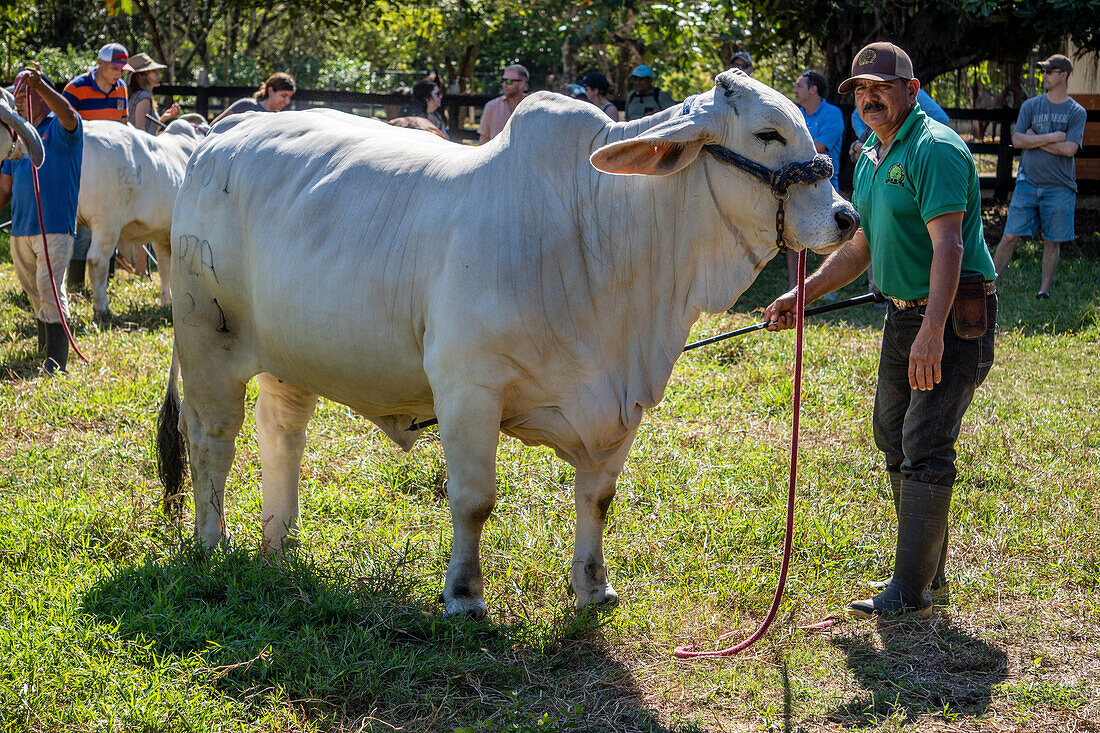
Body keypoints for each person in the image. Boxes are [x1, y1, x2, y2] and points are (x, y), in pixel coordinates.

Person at [764, 42, 998, 619]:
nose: (869, 97)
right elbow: (862, 244)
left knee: (925, 442)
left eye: (882, 87)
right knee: (891, 432)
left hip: (949, 318)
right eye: (860, 90)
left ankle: (910, 591)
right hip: (901, 313)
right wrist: (803, 292)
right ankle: (930, 572)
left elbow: (949, 247)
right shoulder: (871, 152)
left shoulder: (935, 150)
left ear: (911, 91)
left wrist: (932, 332)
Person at [1, 67, 83, 373]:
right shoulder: (18, 135)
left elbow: (69, 113)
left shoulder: (62, 127)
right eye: (17, 97)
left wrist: (41, 85)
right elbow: (4, 187)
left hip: (54, 226)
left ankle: (56, 361)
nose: (19, 103)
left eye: (25, 95)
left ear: (43, 97)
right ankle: (44, 347)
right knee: (33, 290)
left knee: (49, 288)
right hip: (21, 226)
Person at [992, 54, 1086, 299]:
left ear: (1063, 75)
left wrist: (1035, 140)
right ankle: (988, 287)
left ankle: (1043, 291)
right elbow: (1017, 139)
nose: (1043, 75)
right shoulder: (1031, 106)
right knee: (1010, 235)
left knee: (1052, 241)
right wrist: (1052, 137)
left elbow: (1069, 149)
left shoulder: (1077, 112)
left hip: (1060, 187)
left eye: (1049, 71)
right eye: (1042, 71)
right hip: (1028, 183)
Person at [63, 43, 133, 288]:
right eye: (115, 68)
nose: (119, 73)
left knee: (109, 223)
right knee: (82, 227)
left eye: (122, 69)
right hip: (83, 166)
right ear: (100, 63)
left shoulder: (122, 89)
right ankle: (74, 284)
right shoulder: (75, 88)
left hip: (112, 168)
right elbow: (63, 127)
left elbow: (123, 126)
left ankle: (106, 280)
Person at [788, 70, 845, 288]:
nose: (795, 90)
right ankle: (794, 285)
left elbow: (817, 149)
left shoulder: (833, 114)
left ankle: (827, 287)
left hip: (827, 184)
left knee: (829, 234)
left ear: (813, 89)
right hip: (798, 184)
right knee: (793, 236)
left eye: (799, 85)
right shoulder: (796, 114)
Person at [211, 72, 296, 125]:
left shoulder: (280, 119)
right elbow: (214, 126)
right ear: (270, 91)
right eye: (284, 96)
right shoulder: (245, 105)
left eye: (289, 97)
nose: (287, 101)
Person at [127, 52, 180, 134]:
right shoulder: (144, 97)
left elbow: (149, 128)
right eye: (153, 71)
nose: (158, 73)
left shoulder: (139, 95)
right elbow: (140, 132)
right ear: (141, 76)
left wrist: (164, 118)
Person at [478, 64, 528, 144]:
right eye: (503, 80)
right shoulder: (491, 106)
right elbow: (483, 139)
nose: (504, 84)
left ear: (521, 84)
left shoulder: (532, 108)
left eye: (509, 81)